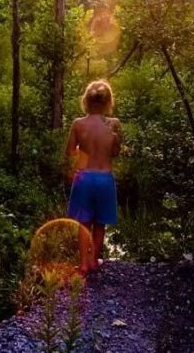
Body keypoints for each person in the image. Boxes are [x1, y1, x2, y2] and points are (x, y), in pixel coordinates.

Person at [65, 79, 122, 274]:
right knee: (100, 223)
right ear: (108, 102)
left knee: (83, 223)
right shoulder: (114, 124)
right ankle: (93, 260)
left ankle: (82, 264)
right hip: (105, 178)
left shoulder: (78, 124)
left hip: (84, 178)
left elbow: (70, 151)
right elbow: (115, 152)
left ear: (87, 100)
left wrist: (84, 150)